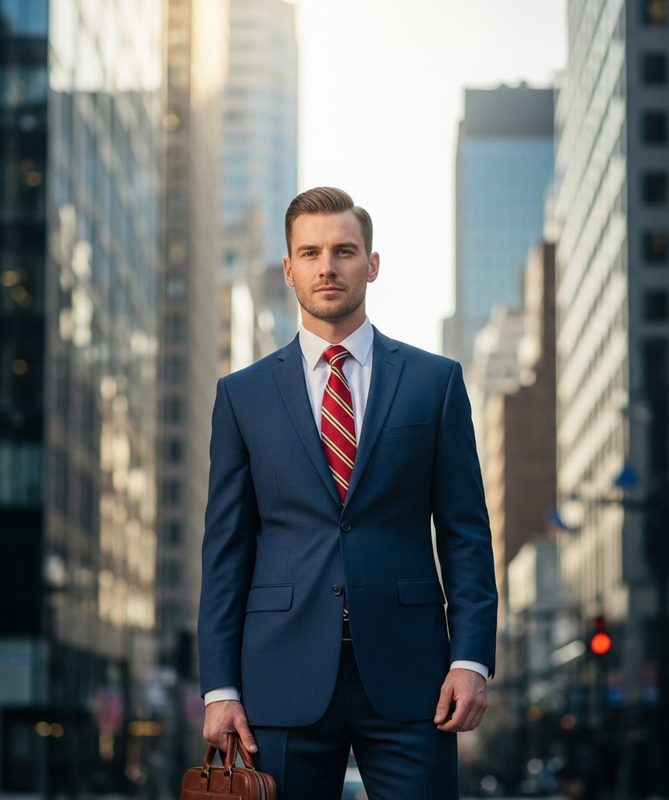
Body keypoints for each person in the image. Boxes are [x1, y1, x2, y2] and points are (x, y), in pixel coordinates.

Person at [198, 186, 497, 800]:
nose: (326, 267)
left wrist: (471, 659)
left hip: (414, 677)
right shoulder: (242, 396)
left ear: (372, 264)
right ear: (288, 270)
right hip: (278, 678)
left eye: (343, 250)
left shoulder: (435, 383)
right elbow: (225, 551)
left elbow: (466, 533)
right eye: (309, 253)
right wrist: (220, 688)